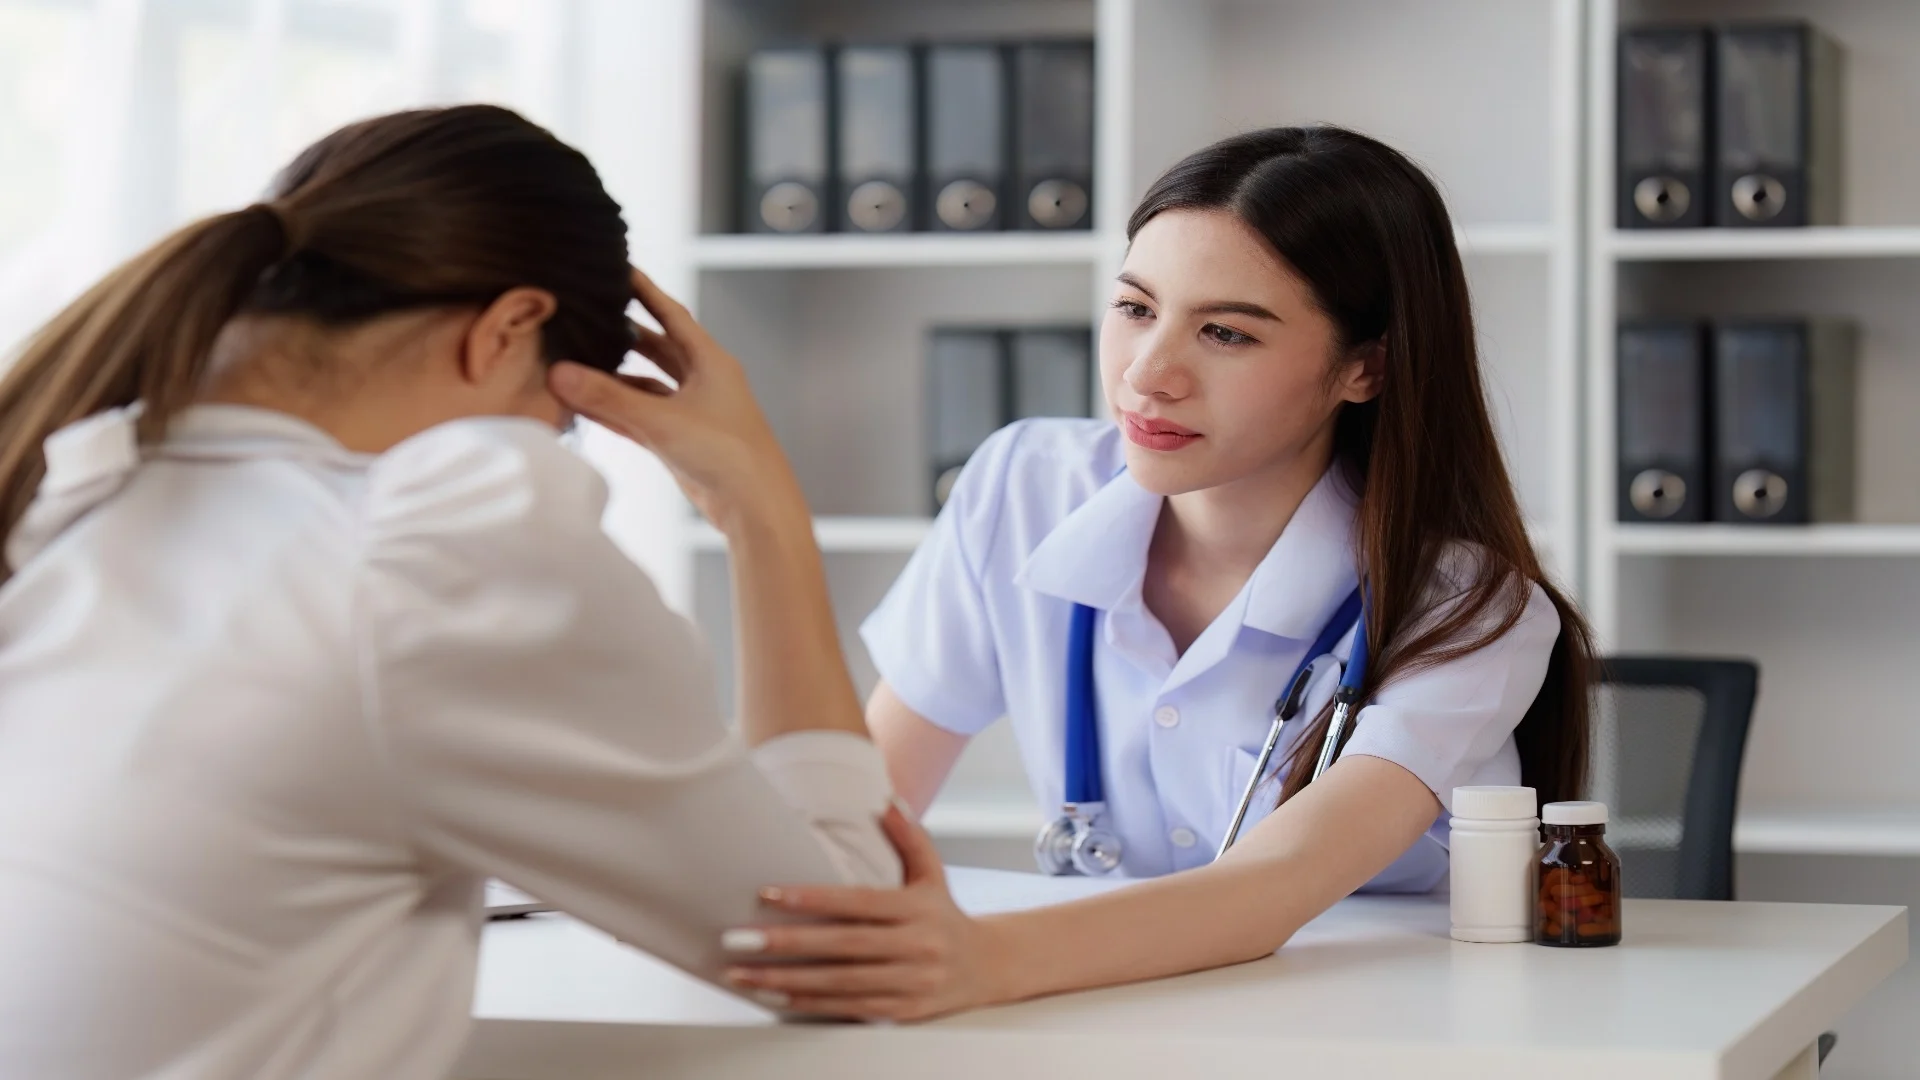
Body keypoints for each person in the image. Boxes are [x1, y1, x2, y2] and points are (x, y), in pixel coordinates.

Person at [0, 105, 904, 1079]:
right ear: (510, 328)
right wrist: (759, 502)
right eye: (562, 418)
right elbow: (842, 943)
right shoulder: (435, 543)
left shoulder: (67, 488)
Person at [715, 126, 1597, 1019]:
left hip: (1369, 1029)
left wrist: (976, 959)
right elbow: (861, 808)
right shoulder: (1023, 485)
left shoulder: (1471, 608)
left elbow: (1276, 883)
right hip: (1098, 1006)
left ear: (1362, 369)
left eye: (1225, 333)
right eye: (1136, 308)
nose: (1148, 373)